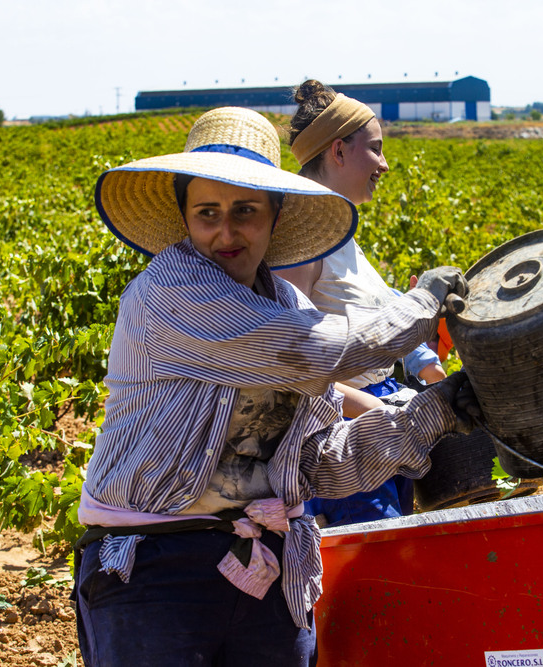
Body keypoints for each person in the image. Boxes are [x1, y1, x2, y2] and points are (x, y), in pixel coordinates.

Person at [72, 107, 476, 666]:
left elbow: (315, 461)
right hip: (154, 564)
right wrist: (421, 304)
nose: (226, 230)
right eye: (207, 212)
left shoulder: (287, 305)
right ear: (185, 217)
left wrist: (432, 415)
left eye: (246, 211)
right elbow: (317, 355)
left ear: (275, 216)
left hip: (262, 563)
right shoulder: (167, 293)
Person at [274, 80, 446, 527]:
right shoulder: (301, 240)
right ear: (338, 151)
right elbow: (294, 366)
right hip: (346, 432)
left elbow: (365, 313)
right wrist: (382, 412)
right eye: (375, 149)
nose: (384, 164)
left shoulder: (340, 233)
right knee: (375, 571)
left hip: (379, 418)